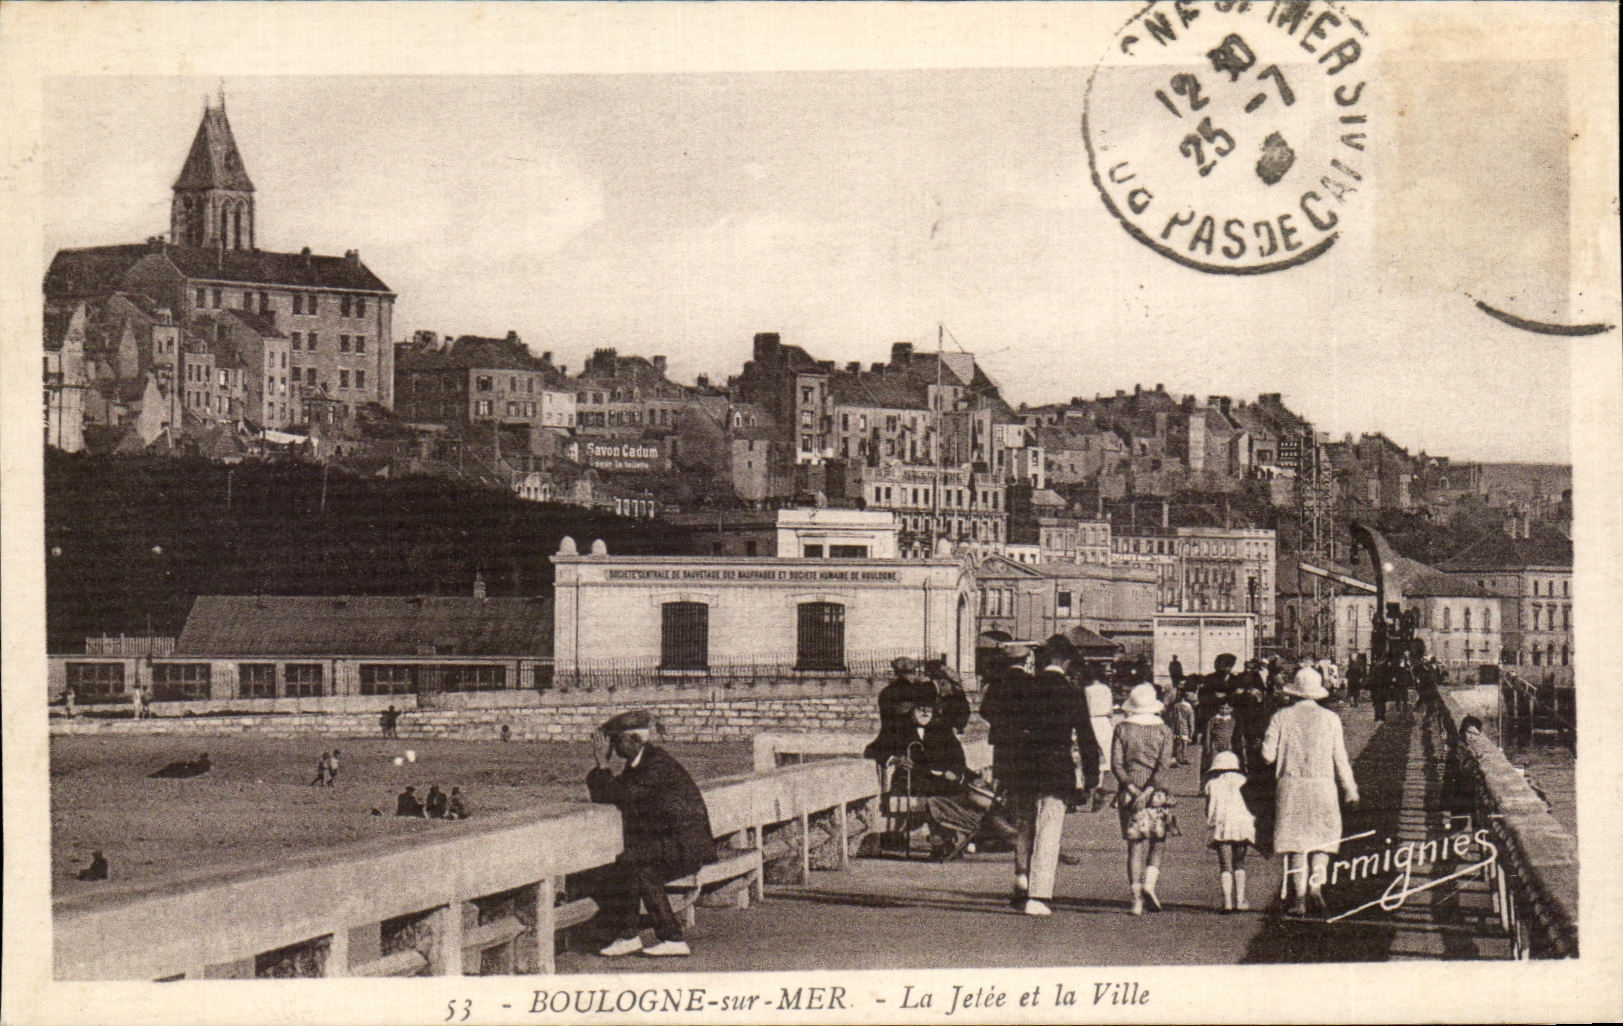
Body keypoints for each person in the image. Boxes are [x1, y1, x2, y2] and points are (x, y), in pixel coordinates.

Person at [981, 635, 1100, 917]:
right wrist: (1092, 779)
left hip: (1023, 767)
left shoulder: (1025, 687)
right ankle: (1039, 895)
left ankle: (1021, 878)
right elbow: (1086, 738)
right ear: (1067, 662)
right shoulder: (1072, 691)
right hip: (1056, 769)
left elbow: (1001, 724)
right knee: (1049, 829)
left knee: (1025, 823)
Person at [586, 709, 715, 958]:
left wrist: (602, 764)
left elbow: (619, 796)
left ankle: (667, 938)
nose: (612, 746)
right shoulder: (641, 763)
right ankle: (632, 935)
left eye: (616, 740)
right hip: (676, 843)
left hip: (686, 847)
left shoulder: (654, 766)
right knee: (633, 862)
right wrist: (603, 769)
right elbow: (607, 795)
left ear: (634, 741)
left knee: (635, 863)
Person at [1262, 666, 1360, 916]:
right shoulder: (1330, 719)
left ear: (1293, 692)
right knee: (1323, 842)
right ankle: (1316, 886)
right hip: (1323, 786)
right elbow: (1340, 758)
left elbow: (1267, 756)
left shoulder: (1280, 717)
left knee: (1296, 845)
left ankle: (1299, 898)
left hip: (1292, 786)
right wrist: (1350, 790)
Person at [868, 696, 983, 858]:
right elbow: (872, 750)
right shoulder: (898, 727)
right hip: (910, 780)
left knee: (952, 791)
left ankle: (944, 839)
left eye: (929, 709)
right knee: (933, 793)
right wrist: (895, 760)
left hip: (940, 781)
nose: (925, 712)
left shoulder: (942, 729)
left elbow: (959, 759)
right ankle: (943, 841)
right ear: (912, 709)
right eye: (920, 708)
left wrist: (955, 773)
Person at [1112, 683, 1176, 915]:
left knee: (1134, 846)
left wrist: (1131, 787)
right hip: (1157, 792)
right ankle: (1150, 884)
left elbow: (1116, 764)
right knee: (1157, 841)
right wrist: (1149, 790)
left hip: (1129, 793)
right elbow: (1163, 765)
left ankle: (1136, 898)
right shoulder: (1164, 730)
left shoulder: (1122, 729)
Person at [1203, 750, 1256, 913]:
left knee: (1225, 865)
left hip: (1223, 826)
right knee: (1239, 863)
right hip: (1242, 825)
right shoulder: (1244, 781)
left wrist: (1211, 821)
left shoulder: (1212, 784)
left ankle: (1227, 902)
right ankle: (1240, 900)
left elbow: (1208, 809)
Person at [923, 656, 972, 735]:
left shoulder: (944, 676)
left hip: (950, 699)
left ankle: (957, 726)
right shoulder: (947, 673)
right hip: (952, 699)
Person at [1082, 667, 1116, 781]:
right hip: (1105, 721)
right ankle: (1105, 779)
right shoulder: (1107, 689)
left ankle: (1096, 779)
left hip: (1092, 721)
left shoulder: (1088, 690)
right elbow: (1111, 710)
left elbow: (1086, 708)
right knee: (1106, 749)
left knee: (1094, 750)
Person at [1200, 697, 1244, 776]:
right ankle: (1215, 777)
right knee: (1215, 761)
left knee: (1227, 762)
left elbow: (1236, 734)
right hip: (1216, 744)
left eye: (1227, 708)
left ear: (1231, 709)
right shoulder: (1213, 720)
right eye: (1222, 708)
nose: (1224, 710)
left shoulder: (1233, 720)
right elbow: (1208, 733)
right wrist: (1208, 746)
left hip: (1228, 744)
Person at [1168, 688, 1196, 767]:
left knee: (1177, 743)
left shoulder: (1176, 706)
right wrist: (1191, 733)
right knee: (1184, 744)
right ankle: (1183, 758)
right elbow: (1191, 722)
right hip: (1185, 728)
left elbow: (1172, 718)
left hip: (1176, 727)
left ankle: (1176, 758)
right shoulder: (1189, 709)